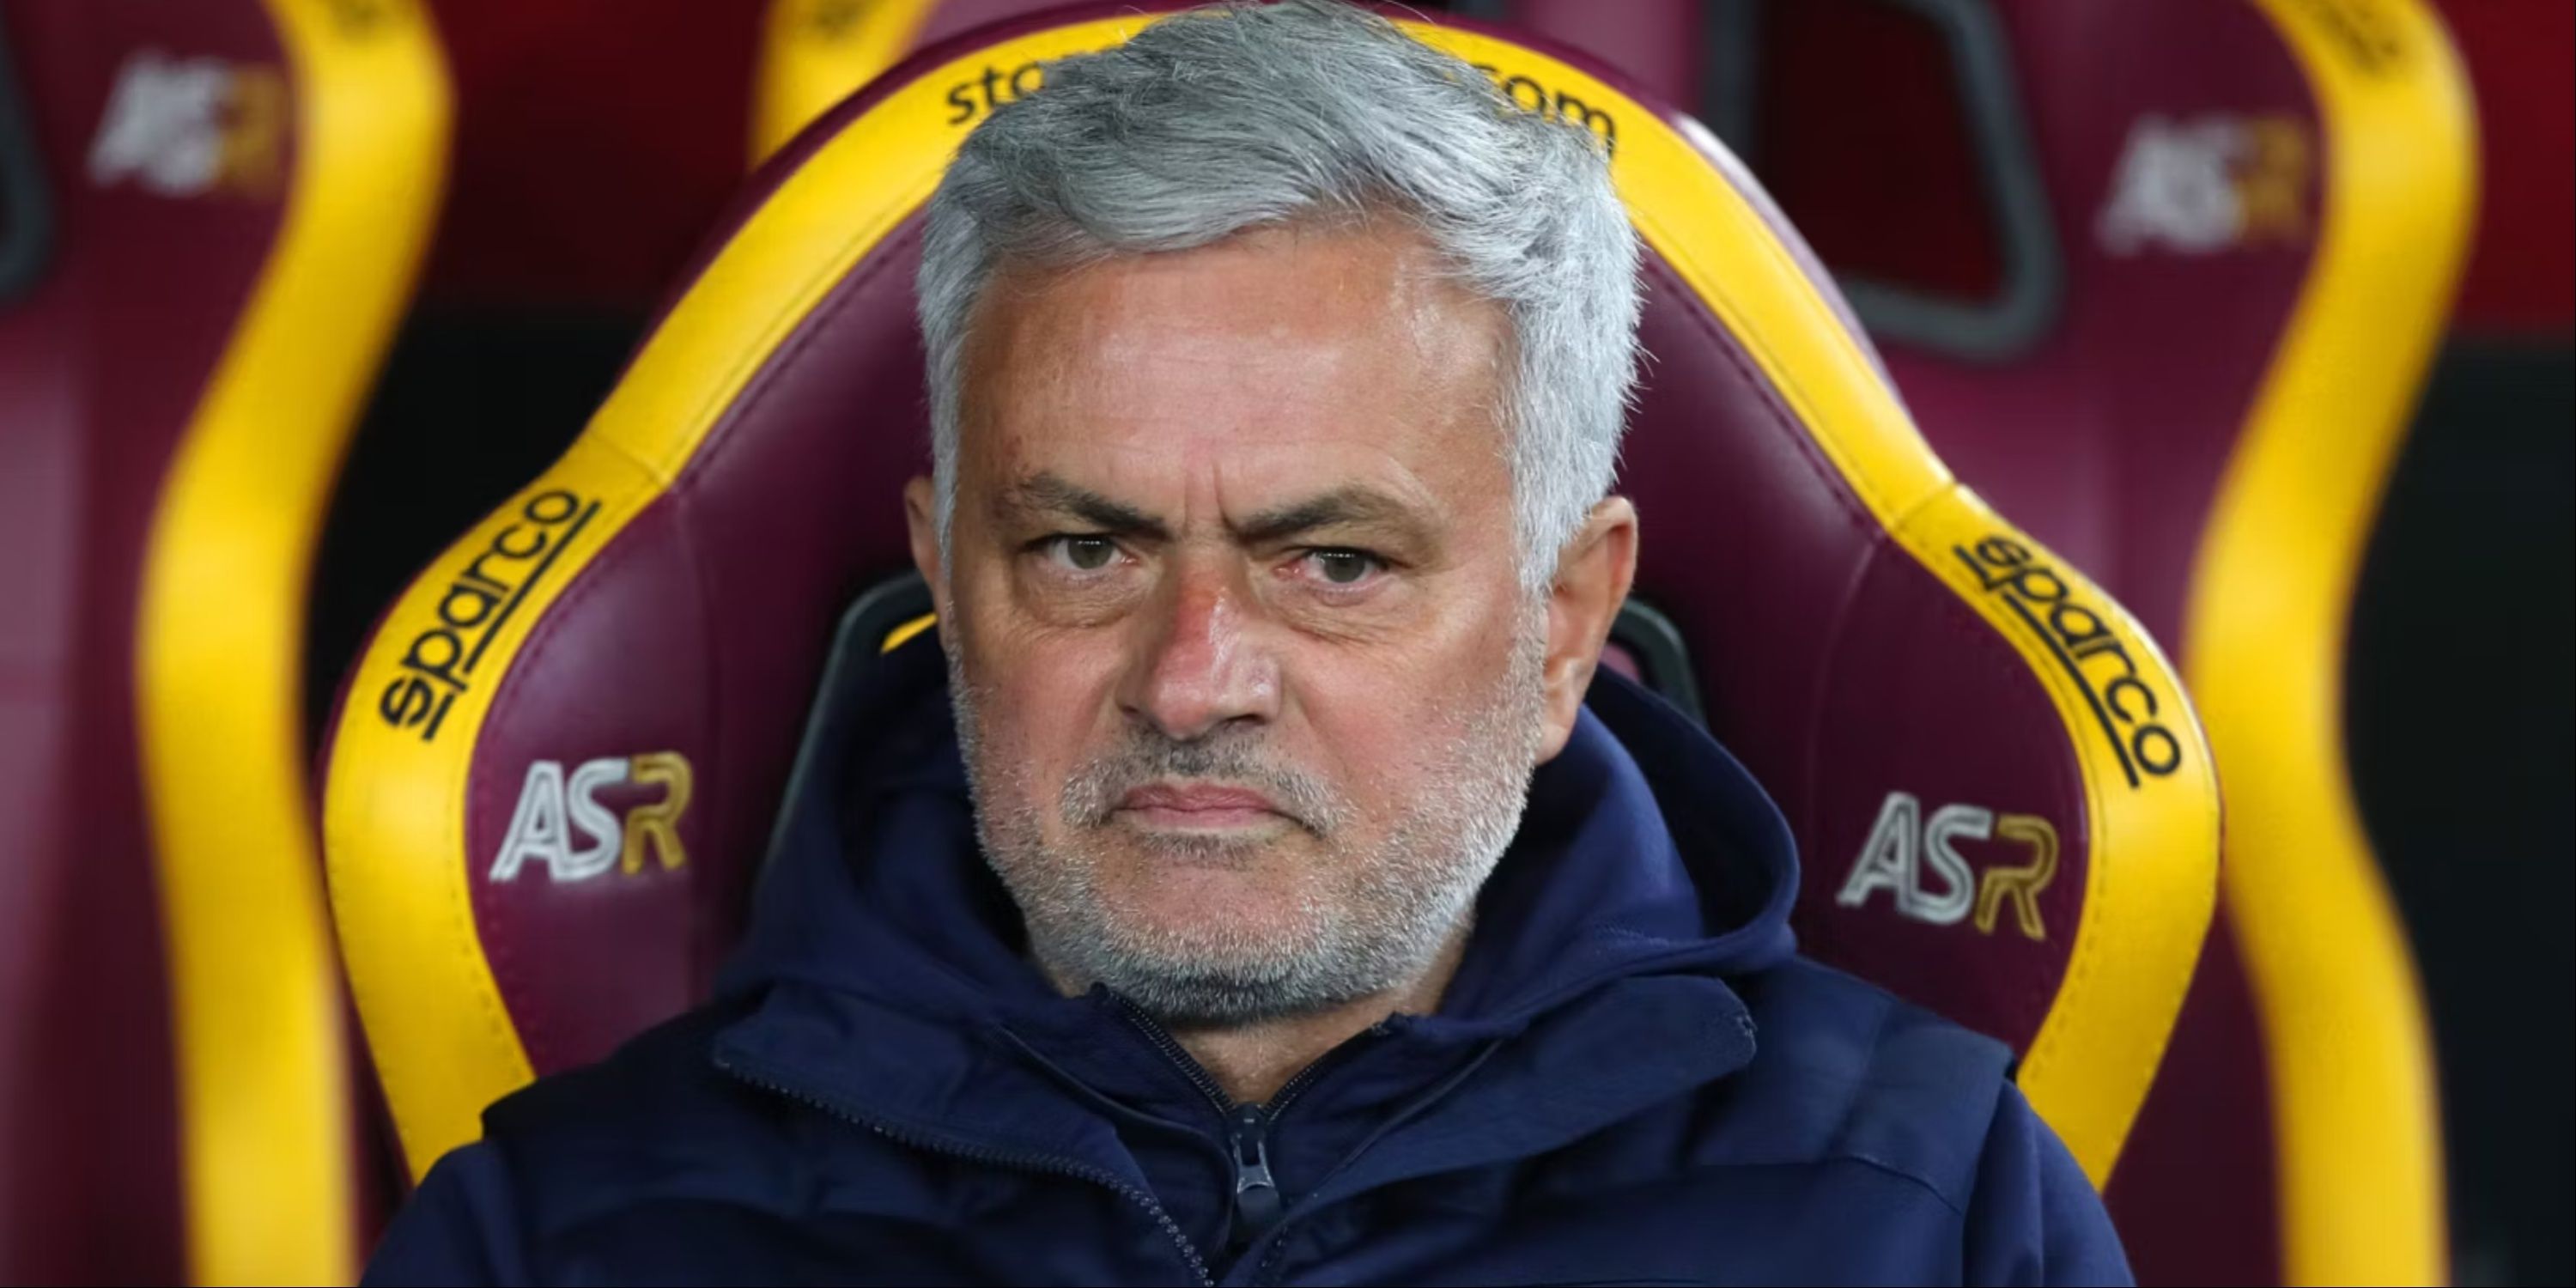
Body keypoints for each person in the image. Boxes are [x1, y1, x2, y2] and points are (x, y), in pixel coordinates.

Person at [365, 2, 2130, 1282]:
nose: (1192, 676)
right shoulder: (556, 1237)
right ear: (941, 576)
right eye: (1082, 547)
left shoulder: (1933, 1211)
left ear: (1562, 625)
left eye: (1335, 564)